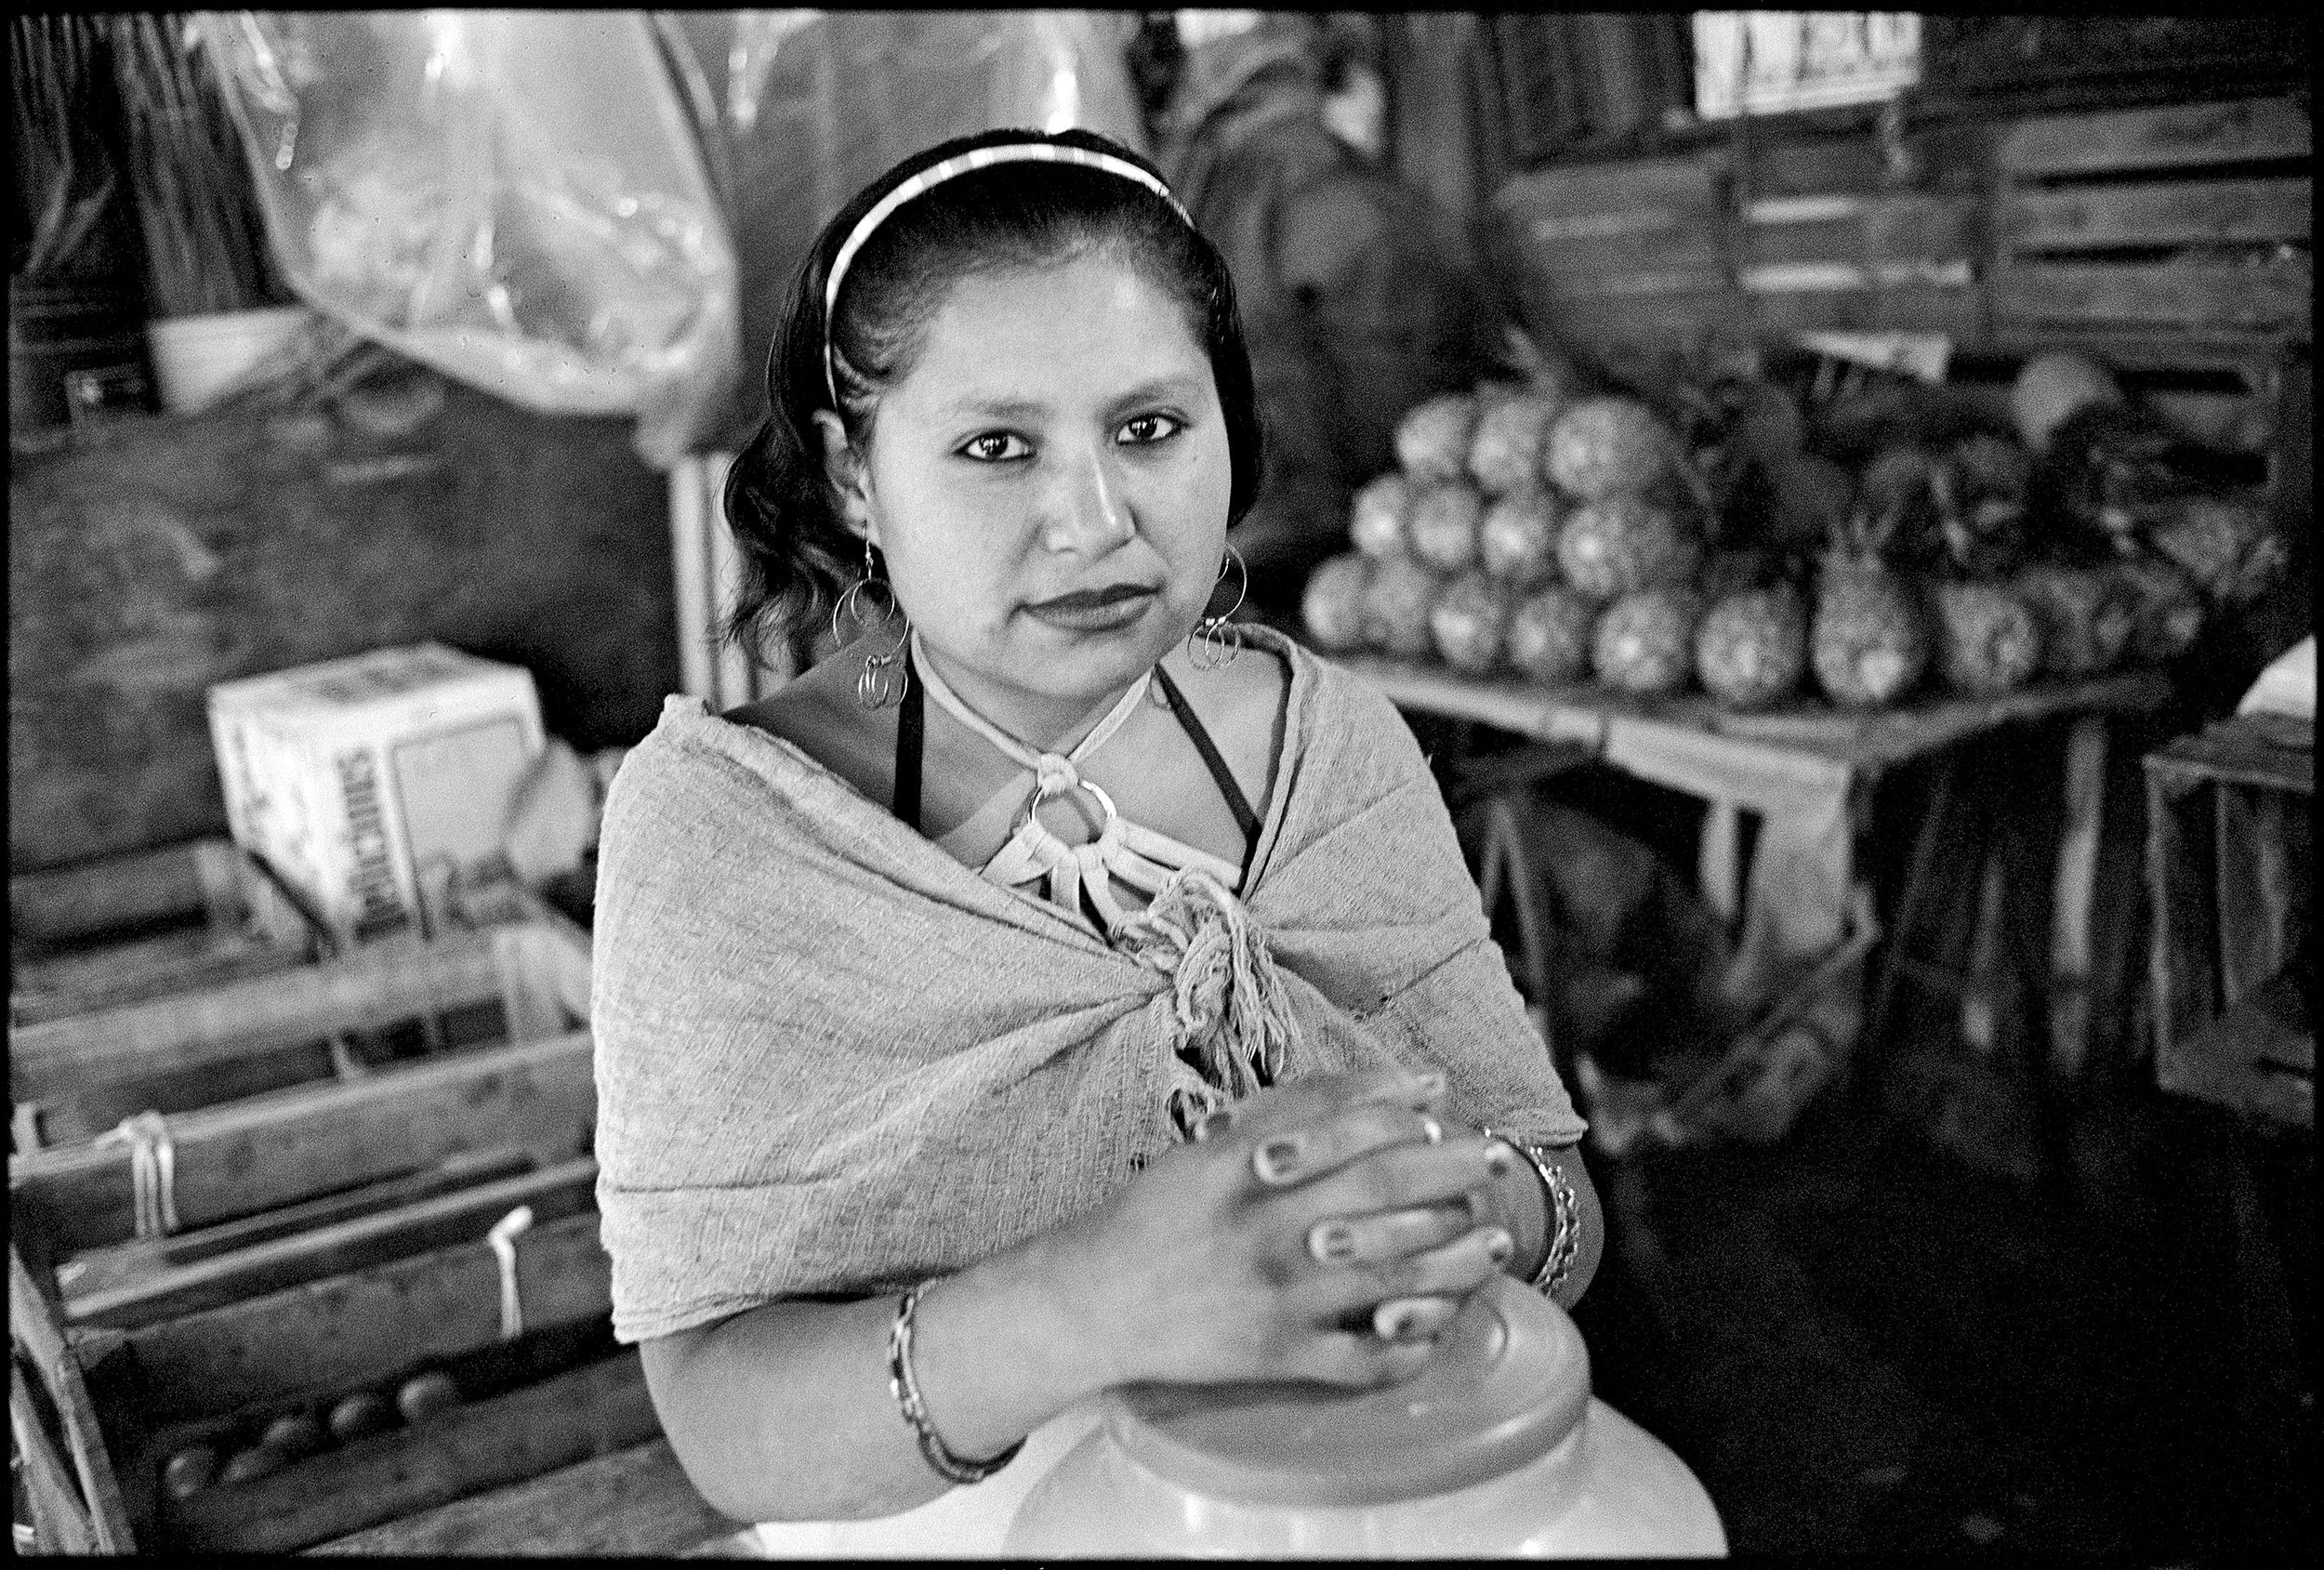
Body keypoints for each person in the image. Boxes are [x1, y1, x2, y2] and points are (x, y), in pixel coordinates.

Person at [589, 126, 1598, 1537]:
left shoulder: (1326, 746)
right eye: (997, 446)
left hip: (1352, 1513)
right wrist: (1097, 1300)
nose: (1095, 521)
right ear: (855, 476)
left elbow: (1558, 1193)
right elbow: (721, 1419)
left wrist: (1445, 1194)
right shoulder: (736, 828)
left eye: (1149, 429)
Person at [1152, 14, 1503, 618]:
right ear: (1349, 85)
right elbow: (1402, 346)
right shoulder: (1310, 174)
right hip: (1313, 530)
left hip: (1221, 526)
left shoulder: (1190, 167)